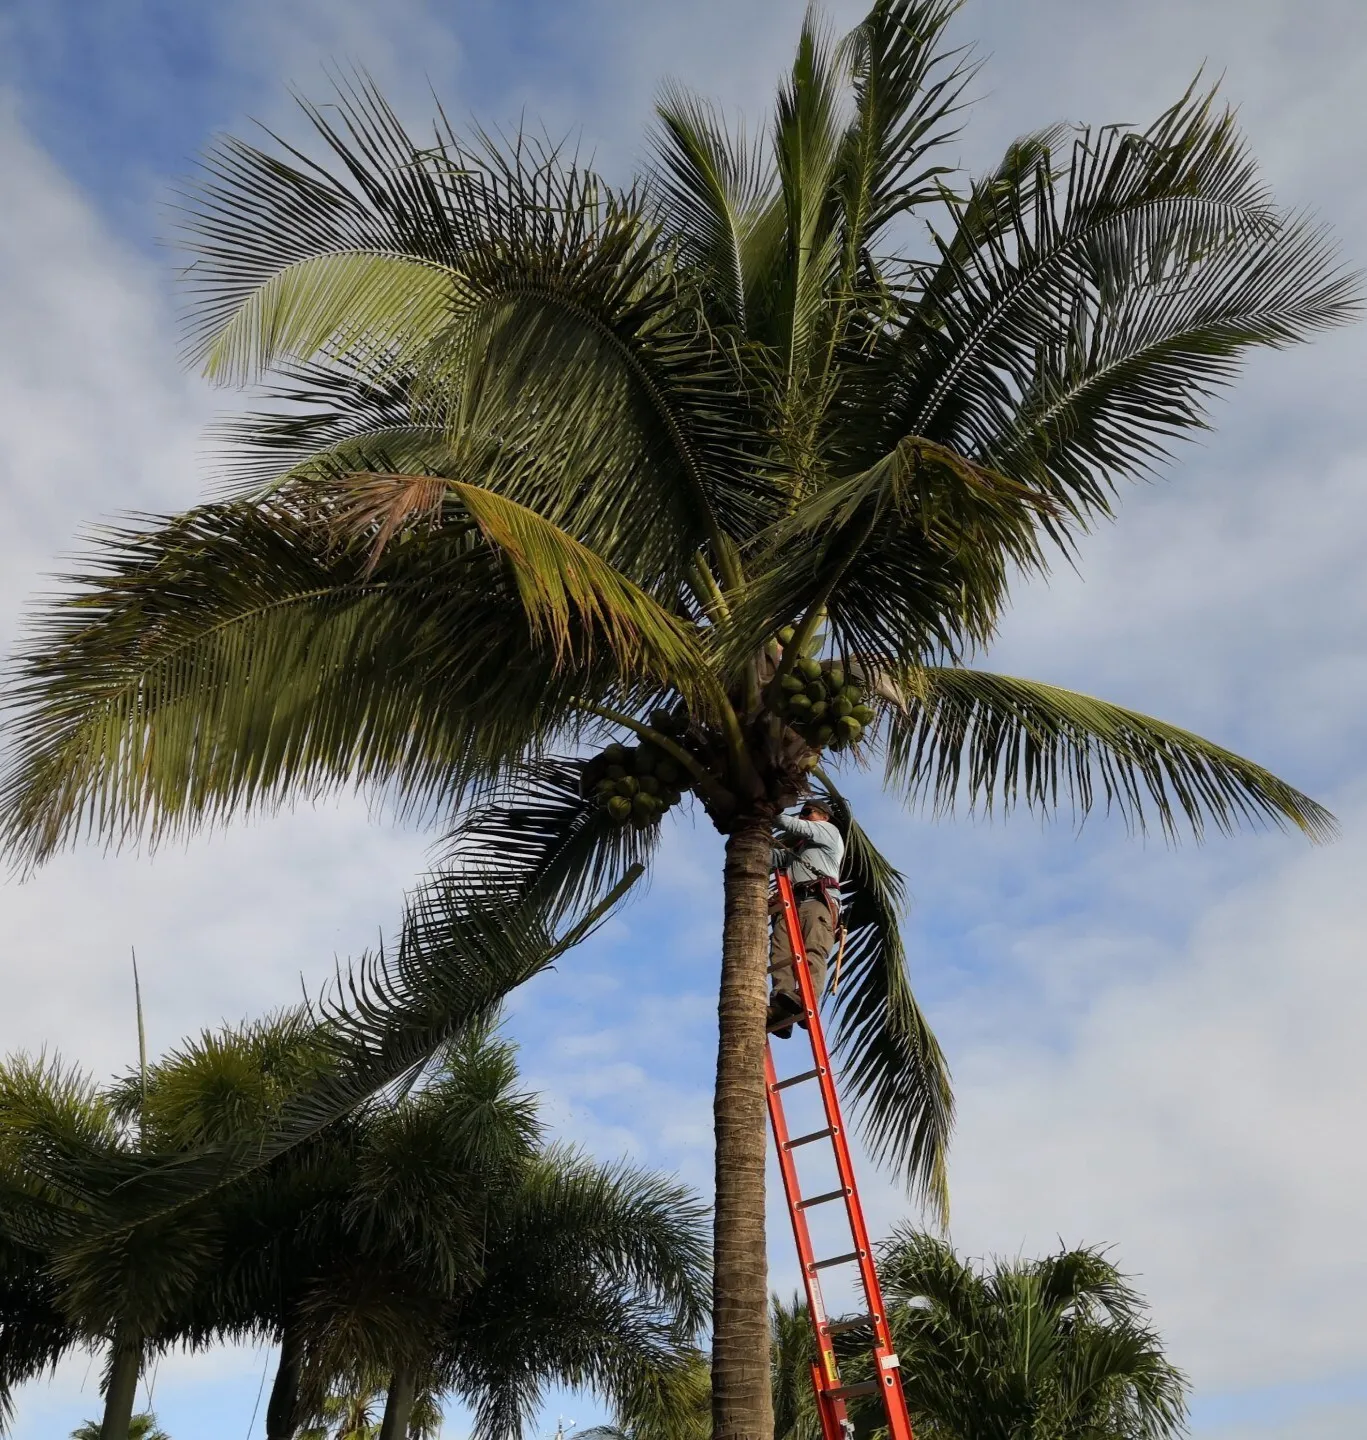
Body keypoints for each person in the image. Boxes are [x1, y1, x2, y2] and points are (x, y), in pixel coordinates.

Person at [767, 799, 844, 1039]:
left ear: (824, 817)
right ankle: (783, 1007)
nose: (803, 817)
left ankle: (806, 998)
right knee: (780, 954)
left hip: (817, 902)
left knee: (812, 951)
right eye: (801, 814)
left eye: (807, 812)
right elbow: (770, 858)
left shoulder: (828, 833)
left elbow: (794, 826)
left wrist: (770, 810)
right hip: (791, 905)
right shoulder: (797, 853)